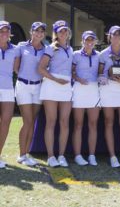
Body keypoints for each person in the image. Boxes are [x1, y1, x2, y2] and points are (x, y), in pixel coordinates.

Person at [38, 20, 73, 167]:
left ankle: (61, 156)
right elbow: (40, 68)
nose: (63, 33)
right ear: (56, 34)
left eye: (65, 30)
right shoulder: (51, 48)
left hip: (65, 87)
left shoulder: (71, 49)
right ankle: (51, 156)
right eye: (60, 31)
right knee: (51, 122)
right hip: (52, 85)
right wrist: (55, 79)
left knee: (64, 122)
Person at [98, 25, 120, 168]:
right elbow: (100, 73)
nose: (117, 36)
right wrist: (105, 78)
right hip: (108, 90)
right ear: (109, 36)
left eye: (119, 34)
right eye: (114, 34)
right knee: (109, 122)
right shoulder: (103, 54)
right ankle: (112, 156)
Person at [15, 22, 47, 166]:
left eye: (41, 31)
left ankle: (26, 154)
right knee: (27, 121)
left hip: (38, 87)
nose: (39, 34)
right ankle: (22, 155)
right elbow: (16, 67)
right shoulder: (21, 46)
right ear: (31, 32)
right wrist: (25, 77)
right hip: (23, 86)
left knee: (32, 122)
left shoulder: (46, 50)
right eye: (36, 31)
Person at [72, 31, 100, 166]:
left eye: (92, 40)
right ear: (82, 41)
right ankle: (77, 155)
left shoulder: (99, 56)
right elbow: (71, 72)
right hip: (79, 89)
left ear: (95, 41)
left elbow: (101, 72)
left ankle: (92, 155)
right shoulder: (75, 55)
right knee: (78, 124)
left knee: (93, 124)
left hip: (94, 90)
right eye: (87, 40)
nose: (89, 42)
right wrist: (78, 79)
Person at [0, 21, 20, 169]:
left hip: (8, 89)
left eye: (7, 31)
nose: (4, 34)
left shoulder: (15, 50)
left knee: (6, 122)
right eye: (1, 31)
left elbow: (18, 69)